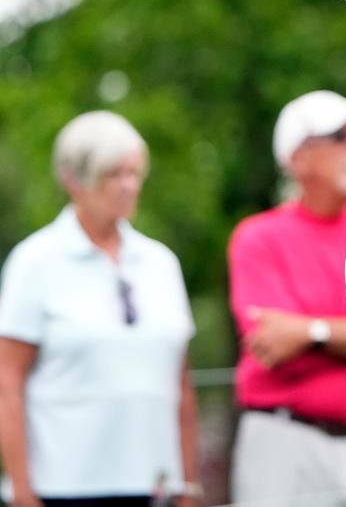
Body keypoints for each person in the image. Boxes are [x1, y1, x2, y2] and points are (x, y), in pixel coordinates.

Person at [228, 91, 346, 507]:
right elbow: (272, 344)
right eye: (339, 136)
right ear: (298, 158)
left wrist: (310, 331)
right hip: (285, 448)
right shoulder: (258, 237)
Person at [0, 111, 200, 507]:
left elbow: (180, 384)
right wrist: (22, 491)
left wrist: (188, 485)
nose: (128, 186)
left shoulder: (161, 263)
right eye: (113, 174)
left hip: (154, 488)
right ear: (73, 180)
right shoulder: (35, 262)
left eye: (134, 173)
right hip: (63, 491)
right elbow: (8, 383)